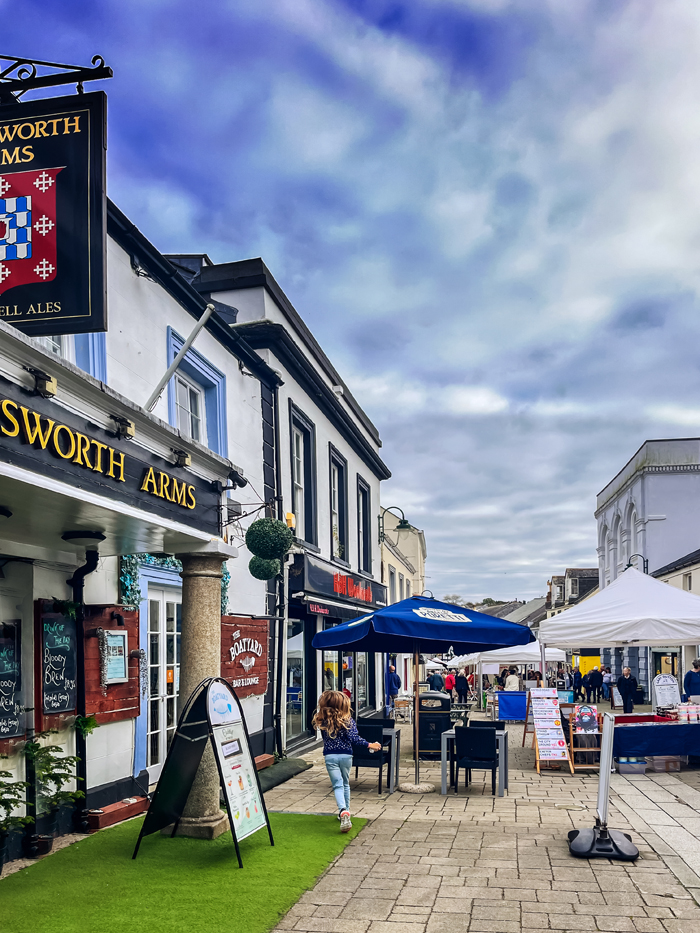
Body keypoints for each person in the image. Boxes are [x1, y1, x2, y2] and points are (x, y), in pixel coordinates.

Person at [312, 690, 381, 832]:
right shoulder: (348, 721)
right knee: (345, 784)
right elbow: (354, 739)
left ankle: (342, 810)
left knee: (337, 785)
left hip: (330, 756)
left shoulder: (322, 720)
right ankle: (347, 812)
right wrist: (369, 744)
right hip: (346, 756)